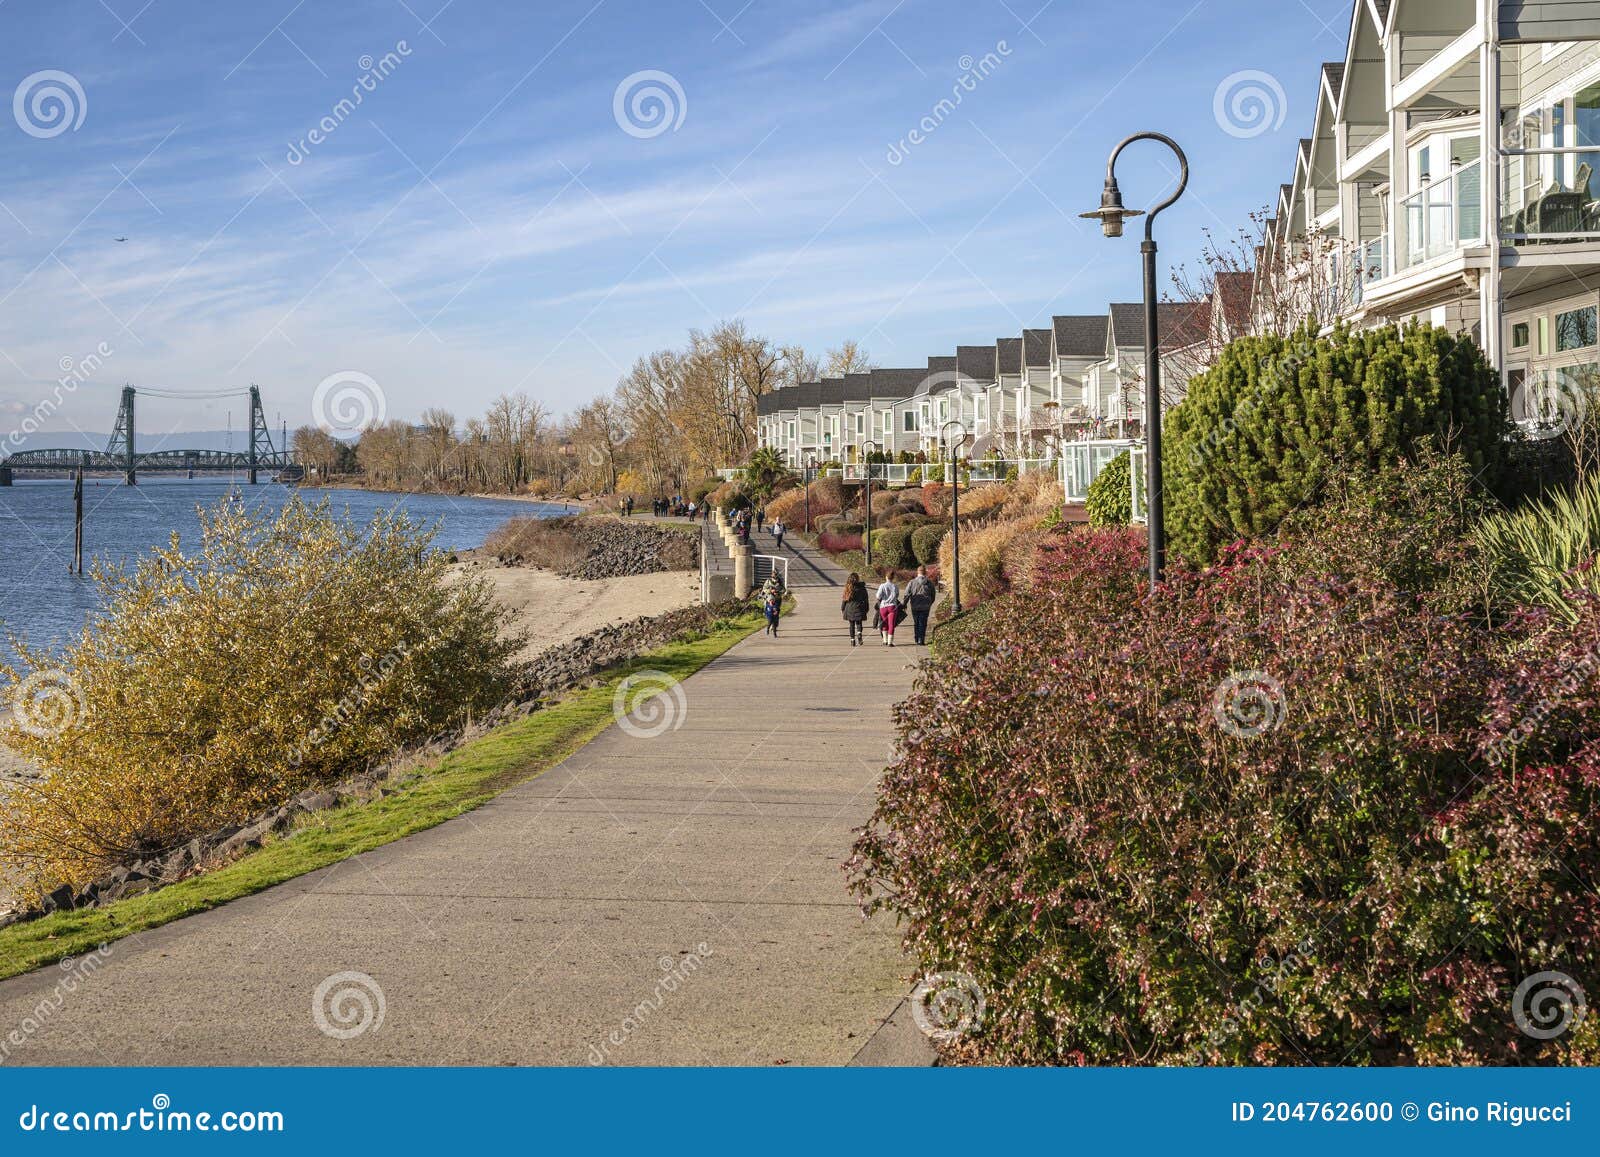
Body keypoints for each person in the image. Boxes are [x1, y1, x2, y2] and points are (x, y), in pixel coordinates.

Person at [905, 565, 936, 646]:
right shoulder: (929, 583)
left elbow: (907, 594)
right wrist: (929, 603)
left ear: (917, 572)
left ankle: (916, 638)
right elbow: (933, 595)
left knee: (916, 622)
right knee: (923, 622)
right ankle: (921, 639)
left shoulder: (912, 582)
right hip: (925, 606)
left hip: (915, 605)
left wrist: (904, 604)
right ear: (925, 572)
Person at [874, 571, 901, 646]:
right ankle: (890, 642)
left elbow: (878, 596)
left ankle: (884, 640)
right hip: (892, 606)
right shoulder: (895, 586)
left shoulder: (882, 586)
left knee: (884, 623)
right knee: (891, 624)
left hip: (883, 607)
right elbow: (897, 595)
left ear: (886, 577)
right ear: (893, 578)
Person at [841, 571, 868, 646]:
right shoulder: (862, 588)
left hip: (849, 609)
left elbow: (844, 599)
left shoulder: (848, 587)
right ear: (858, 579)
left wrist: (842, 608)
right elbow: (866, 599)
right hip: (859, 607)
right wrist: (866, 608)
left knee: (851, 624)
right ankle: (859, 633)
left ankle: (852, 640)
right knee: (859, 623)